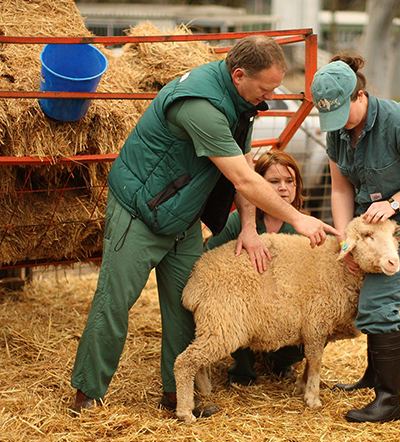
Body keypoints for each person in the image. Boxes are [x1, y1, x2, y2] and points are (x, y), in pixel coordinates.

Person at [70, 35, 337, 417]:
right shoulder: (201, 105)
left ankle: (178, 396)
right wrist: (297, 217)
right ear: (239, 74)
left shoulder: (241, 103)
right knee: (116, 300)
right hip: (140, 211)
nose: (268, 96)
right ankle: (88, 390)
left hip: (182, 216)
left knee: (184, 307)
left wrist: (248, 227)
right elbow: (244, 180)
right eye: (265, 88)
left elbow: (243, 166)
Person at [310, 53, 400, 423]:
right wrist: (345, 239)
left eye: (343, 112)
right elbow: (340, 190)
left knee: (380, 302)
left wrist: (394, 203)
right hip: (368, 225)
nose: (337, 124)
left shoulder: (399, 121)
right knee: (365, 294)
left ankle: (389, 401)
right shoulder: (338, 131)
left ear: (359, 95)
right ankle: (373, 377)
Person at [204, 150, 305, 386]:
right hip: (246, 301)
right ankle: (242, 368)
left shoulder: (303, 228)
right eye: (274, 182)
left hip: (284, 307)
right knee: (237, 306)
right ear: (258, 184)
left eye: (289, 181)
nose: (283, 188)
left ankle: (279, 362)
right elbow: (210, 260)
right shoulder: (238, 222)